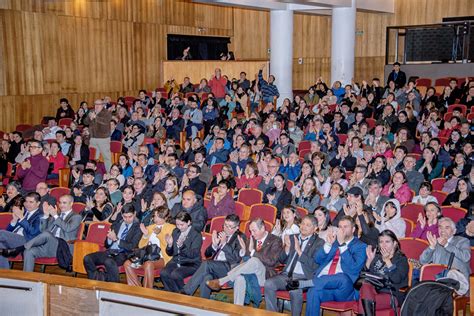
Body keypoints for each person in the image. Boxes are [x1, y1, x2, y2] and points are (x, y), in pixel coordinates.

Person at [296, 216, 367, 316]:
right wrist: (328, 244)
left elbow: (354, 269)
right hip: (326, 286)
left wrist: (342, 245)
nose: (341, 230)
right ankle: (311, 284)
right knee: (313, 292)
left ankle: (307, 283)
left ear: (353, 229)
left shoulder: (361, 246)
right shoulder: (334, 242)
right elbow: (317, 260)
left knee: (342, 277)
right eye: (340, 227)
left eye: (345, 227)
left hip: (345, 289)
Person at [205, 218, 283, 306]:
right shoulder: (251, 239)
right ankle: (237, 309)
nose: (252, 234)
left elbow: (271, 261)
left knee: (254, 260)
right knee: (239, 278)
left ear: (262, 228)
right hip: (249, 272)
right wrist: (244, 251)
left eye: (254, 231)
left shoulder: (275, 240)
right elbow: (245, 260)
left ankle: (222, 281)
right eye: (250, 231)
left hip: (265, 274)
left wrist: (252, 252)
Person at [3, 195, 82, 272]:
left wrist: (55, 215)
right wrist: (46, 215)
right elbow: (43, 231)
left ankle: (19, 249)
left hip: (62, 246)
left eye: (64, 203)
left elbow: (68, 228)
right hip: (48, 245)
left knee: (47, 234)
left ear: (71, 203)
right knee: (29, 251)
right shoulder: (55, 216)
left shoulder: (76, 217)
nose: (61, 205)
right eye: (60, 202)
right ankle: (27, 279)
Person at [265, 215, 324, 316]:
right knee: (269, 284)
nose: (304, 227)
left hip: (303, 278)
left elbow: (314, 266)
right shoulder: (293, 237)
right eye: (303, 223)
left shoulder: (319, 243)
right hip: (286, 275)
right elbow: (281, 259)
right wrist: (287, 248)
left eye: (308, 225)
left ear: (315, 228)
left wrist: (299, 251)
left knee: (295, 290)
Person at [183, 214, 245, 298]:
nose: (226, 228)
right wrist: (214, 246)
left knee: (207, 264)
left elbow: (236, 259)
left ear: (237, 227)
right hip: (214, 266)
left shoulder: (240, 237)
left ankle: (186, 291)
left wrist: (224, 244)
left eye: (230, 226)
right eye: (225, 225)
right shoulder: (220, 234)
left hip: (229, 268)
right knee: (207, 278)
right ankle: (203, 304)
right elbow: (207, 254)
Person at [358, 230, 409, 315]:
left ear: (395, 243)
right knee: (365, 287)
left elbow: (396, 279)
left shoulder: (401, 259)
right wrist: (369, 260)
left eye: (387, 241)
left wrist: (388, 261)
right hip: (373, 291)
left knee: (363, 301)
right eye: (381, 242)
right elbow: (362, 278)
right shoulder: (377, 257)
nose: (384, 244)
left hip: (391, 294)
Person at [124, 206, 175, 288]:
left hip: (162, 258)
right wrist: (145, 235)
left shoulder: (171, 228)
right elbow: (141, 246)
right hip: (146, 257)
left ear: (166, 217)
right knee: (127, 263)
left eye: (159, 216)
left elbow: (169, 247)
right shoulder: (150, 227)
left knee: (148, 264)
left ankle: (147, 291)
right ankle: (136, 289)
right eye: (155, 216)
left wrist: (159, 234)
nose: (156, 218)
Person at [160, 211, 202, 293]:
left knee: (176, 274)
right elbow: (170, 253)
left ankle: (183, 294)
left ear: (189, 222)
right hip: (177, 260)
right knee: (164, 273)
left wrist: (182, 246)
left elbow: (193, 254)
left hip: (191, 263)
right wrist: (169, 245)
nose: (179, 227)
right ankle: (171, 294)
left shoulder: (196, 235)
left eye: (182, 225)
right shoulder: (176, 232)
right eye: (177, 224)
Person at [420, 217, 471, 281]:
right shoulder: (436, 243)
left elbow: (466, 257)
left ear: (454, 231)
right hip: (438, 281)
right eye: (440, 227)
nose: (442, 230)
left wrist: (447, 245)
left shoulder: (462, 241)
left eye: (447, 228)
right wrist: (431, 247)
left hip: (458, 281)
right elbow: (422, 261)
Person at [0, 193, 42, 269]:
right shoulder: (24, 212)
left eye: (31, 202)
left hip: (27, 241)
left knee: (1, 233)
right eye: (26, 201)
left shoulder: (40, 215)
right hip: (14, 240)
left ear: (38, 203)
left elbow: (33, 233)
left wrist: (22, 218)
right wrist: (14, 220)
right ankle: (4, 273)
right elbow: (7, 232)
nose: (27, 204)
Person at [84, 99, 112, 171]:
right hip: (93, 138)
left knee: (106, 157)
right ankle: (92, 172)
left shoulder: (107, 113)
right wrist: (90, 118)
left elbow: (105, 122)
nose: (96, 106)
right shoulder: (91, 111)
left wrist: (95, 117)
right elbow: (85, 122)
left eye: (98, 104)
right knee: (93, 157)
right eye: (95, 104)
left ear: (102, 105)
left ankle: (109, 173)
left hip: (103, 139)